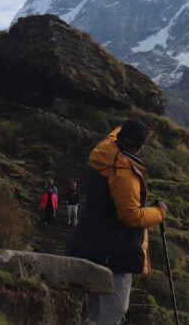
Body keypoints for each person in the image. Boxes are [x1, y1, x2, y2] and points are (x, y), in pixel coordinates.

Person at [66, 120, 167, 325]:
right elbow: (131, 216)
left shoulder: (102, 151)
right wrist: (159, 213)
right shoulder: (125, 174)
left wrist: (128, 125)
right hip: (115, 253)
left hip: (90, 245)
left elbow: (114, 134)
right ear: (140, 148)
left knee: (93, 312)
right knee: (113, 312)